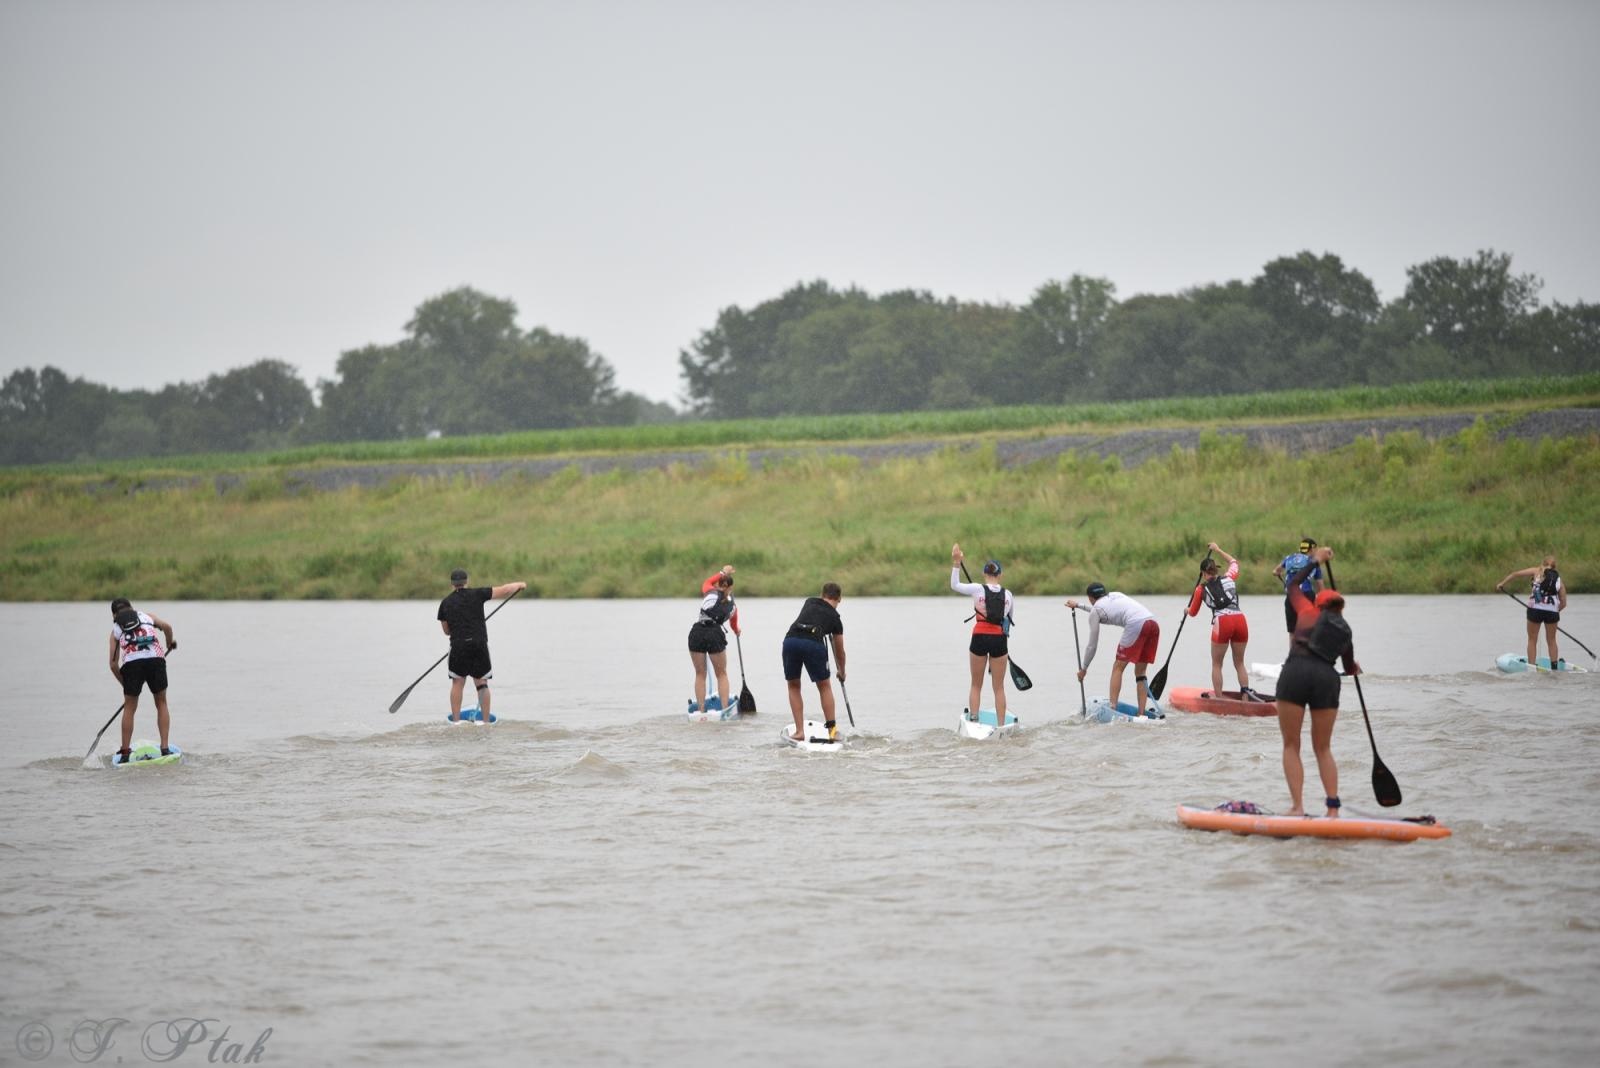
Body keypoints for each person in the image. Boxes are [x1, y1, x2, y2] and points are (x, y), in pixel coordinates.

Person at [1274, 546, 1359, 817]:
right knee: (1323, 748)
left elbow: (1294, 584)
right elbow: (1350, 667)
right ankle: (1332, 809)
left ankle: (1298, 807)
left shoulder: (1306, 611)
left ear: (1319, 604)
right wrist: (1353, 666)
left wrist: (1314, 561)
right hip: (1326, 678)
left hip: (1296, 671)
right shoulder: (1345, 630)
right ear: (1340, 608)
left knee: (1291, 744)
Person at [437, 569, 526, 722]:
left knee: (458, 683)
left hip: (458, 646)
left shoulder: (445, 603)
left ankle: (456, 722)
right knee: (482, 684)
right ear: (467, 581)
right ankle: (486, 722)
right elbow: (504, 589)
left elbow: (446, 631)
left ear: (452, 584)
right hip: (479, 645)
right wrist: (519, 584)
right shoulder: (478, 594)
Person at [1066, 582, 1160, 717]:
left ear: (1090, 598)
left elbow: (1092, 645)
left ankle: (1112, 708)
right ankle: (1141, 714)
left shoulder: (1095, 611)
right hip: (1153, 623)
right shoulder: (1116, 595)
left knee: (1118, 667)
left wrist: (1083, 669)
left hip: (1136, 624)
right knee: (1140, 672)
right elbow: (1100, 609)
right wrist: (1079, 605)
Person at [949, 543, 1013, 725]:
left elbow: (954, 585)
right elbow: (1008, 622)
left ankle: (974, 721)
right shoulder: (1008, 595)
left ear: (985, 574)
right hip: (1000, 640)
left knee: (976, 684)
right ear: (1000, 575)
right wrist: (1001, 649)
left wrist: (956, 562)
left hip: (979, 636)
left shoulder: (977, 589)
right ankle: (1001, 725)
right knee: (999, 687)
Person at [107, 597, 176, 763]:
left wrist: (126, 684)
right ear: (132, 608)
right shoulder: (147, 616)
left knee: (129, 707)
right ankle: (165, 748)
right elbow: (167, 627)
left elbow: (113, 664)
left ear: (114, 615)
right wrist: (169, 642)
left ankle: (125, 753)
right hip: (155, 660)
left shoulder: (116, 630)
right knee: (161, 703)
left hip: (132, 664)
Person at [1187, 542, 1259, 699]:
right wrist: (1218, 549)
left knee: (1217, 664)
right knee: (1239, 663)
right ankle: (1246, 696)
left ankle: (1219, 699)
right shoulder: (1229, 578)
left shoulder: (1200, 589)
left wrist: (1186, 610)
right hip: (1240, 620)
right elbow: (1233, 561)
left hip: (1222, 623)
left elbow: (1192, 613)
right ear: (1215, 570)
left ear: (1203, 574)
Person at [782, 582, 845, 742]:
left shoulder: (809, 601)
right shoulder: (836, 619)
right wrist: (842, 671)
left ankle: (799, 732)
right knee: (824, 686)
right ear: (839, 599)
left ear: (821, 595)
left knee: (793, 686)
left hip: (791, 640)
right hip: (813, 644)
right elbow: (840, 651)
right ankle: (832, 733)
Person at [1496, 556, 1568, 668]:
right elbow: (1563, 603)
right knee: (1552, 640)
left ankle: (1531, 667)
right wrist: (1553, 612)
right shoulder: (1558, 579)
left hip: (1535, 610)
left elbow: (1515, 574)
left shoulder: (1536, 571)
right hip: (1552, 613)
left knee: (1532, 639)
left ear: (1542, 564)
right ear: (1555, 567)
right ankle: (1554, 667)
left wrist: (1502, 584)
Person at [689, 568, 740, 714]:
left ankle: (701, 711)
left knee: (700, 674)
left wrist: (723, 572)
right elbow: (734, 625)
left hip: (697, 632)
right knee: (721, 674)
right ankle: (724, 710)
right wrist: (737, 631)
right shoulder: (733, 606)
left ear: (717, 584)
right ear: (730, 587)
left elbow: (707, 581)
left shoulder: (709, 591)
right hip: (715, 634)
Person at [1272, 537, 1323, 635]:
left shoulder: (1289, 558)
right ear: (1312, 549)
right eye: (1316, 549)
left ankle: (1294, 650)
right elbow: (1321, 588)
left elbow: (1275, 571)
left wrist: (1279, 574)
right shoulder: (1313, 562)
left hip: (1291, 597)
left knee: (1292, 632)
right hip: (1307, 596)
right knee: (1309, 630)